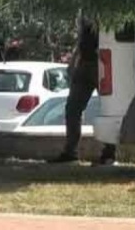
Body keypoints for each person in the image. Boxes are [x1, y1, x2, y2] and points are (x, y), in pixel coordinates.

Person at [51, 14, 117, 166]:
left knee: (109, 108)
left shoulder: (109, 6)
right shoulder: (85, 9)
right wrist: (74, 60)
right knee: (72, 108)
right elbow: (82, 37)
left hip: (103, 63)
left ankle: (109, 154)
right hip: (85, 64)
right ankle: (70, 152)